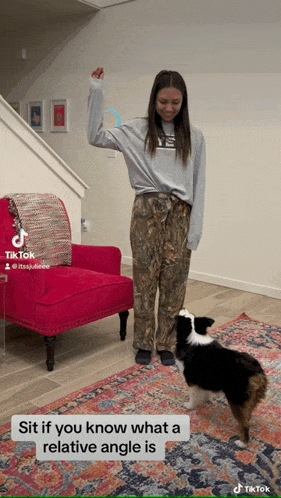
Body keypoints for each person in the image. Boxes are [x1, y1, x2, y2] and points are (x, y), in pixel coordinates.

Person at [88, 67, 206, 366]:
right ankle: (143, 341)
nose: (168, 108)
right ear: (154, 99)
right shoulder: (135, 131)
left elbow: (200, 184)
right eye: (163, 101)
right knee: (145, 280)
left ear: (184, 102)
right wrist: (96, 91)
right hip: (146, 212)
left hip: (180, 214)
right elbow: (95, 136)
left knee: (174, 282)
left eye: (175, 103)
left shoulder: (194, 136)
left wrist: (195, 230)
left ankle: (166, 342)